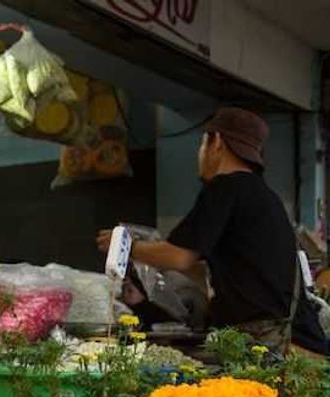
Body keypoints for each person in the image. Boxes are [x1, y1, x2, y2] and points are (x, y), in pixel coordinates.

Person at [98, 107, 328, 356]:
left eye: (202, 144)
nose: (200, 154)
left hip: (283, 348)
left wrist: (125, 246)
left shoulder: (225, 187)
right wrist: (154, 258)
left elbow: (179, 256)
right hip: (302, 344)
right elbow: (210, 271)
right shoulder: (263, 196)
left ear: (216, 142)